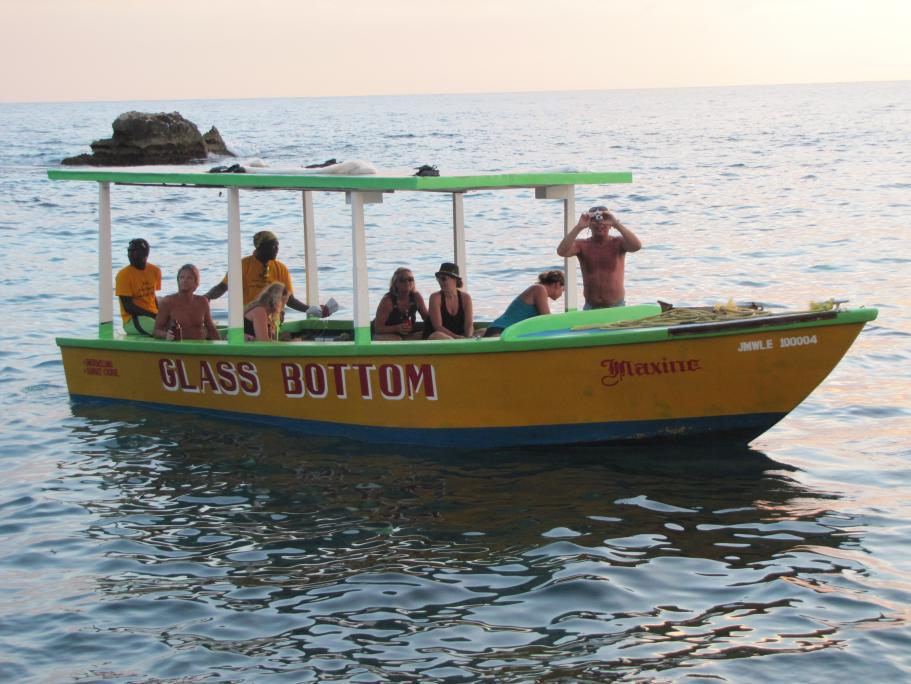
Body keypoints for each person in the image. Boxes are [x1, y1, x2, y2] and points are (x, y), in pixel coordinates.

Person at [204, 230, 331, 317]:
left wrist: (310, 309)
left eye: (277, 246)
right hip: (249, 318)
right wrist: (207, 297)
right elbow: (223, 286)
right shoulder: (243, 265)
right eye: (273, 246)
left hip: (274, 320)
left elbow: (289, 299)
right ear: (260, 247)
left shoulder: (281, 268)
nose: (277, 249)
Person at [556, 205, 642, 309]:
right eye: (594, 220)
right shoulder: (582, 245)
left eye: (604, 219)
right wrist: (579, 227)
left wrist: (616, 224)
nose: (599, 223)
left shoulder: (618, 243)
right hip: (591, 306)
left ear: (610, 225)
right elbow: (561, 251)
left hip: (616, 305)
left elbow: (637, 246)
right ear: (589, 225)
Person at [483, 270, 565, 337]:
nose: (562, 293)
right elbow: (546, 319)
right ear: (557, 284)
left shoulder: (539, 290)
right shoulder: (539, 289)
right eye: (563, 289)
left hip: (504, 331)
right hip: (500, 331)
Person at [153, 264, 221, 341]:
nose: (184, 280)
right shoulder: (167, 302)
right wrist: (166, 335)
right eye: (181, 277)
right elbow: (156, 331)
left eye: (189, 278)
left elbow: (211, 329)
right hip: (179, 346)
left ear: (196, 283)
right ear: (178, 281)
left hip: (200, 345)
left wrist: (221, 345)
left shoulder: (202, 302)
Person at [115, 238, 162, 336]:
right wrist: (153, 315)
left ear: (145, 254)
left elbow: (152, 296)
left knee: (178, 323)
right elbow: (128, 307)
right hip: (132, 319)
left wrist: (160, 314)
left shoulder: (155, 271)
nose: (130, 254)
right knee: (163, 330)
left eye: (134, 251)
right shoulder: (124, 275)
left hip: (152, 315)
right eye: (129, 251)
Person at [372, 267, 430, 340]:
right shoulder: (388, 300)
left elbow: (427, 318)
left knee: (428, 333)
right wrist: (396, 328)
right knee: (397, 339)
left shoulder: (416, 297)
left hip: (405, 334)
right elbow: (378, 328)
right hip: (381, 334)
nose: (407, 282)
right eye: (402, 280)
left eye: (410, 279)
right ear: (395, 283)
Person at [424, 262, 473, 340]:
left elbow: (469, 325)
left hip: (459, 337)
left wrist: (469, 337)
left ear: (455, 279)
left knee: (484, 331)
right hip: (436, 337)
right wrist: (457, 338)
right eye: (438, 279)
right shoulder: (435, 298)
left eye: (443, 279)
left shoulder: (466, 298)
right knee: (438, 335)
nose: (440, 282)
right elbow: (438, 327)